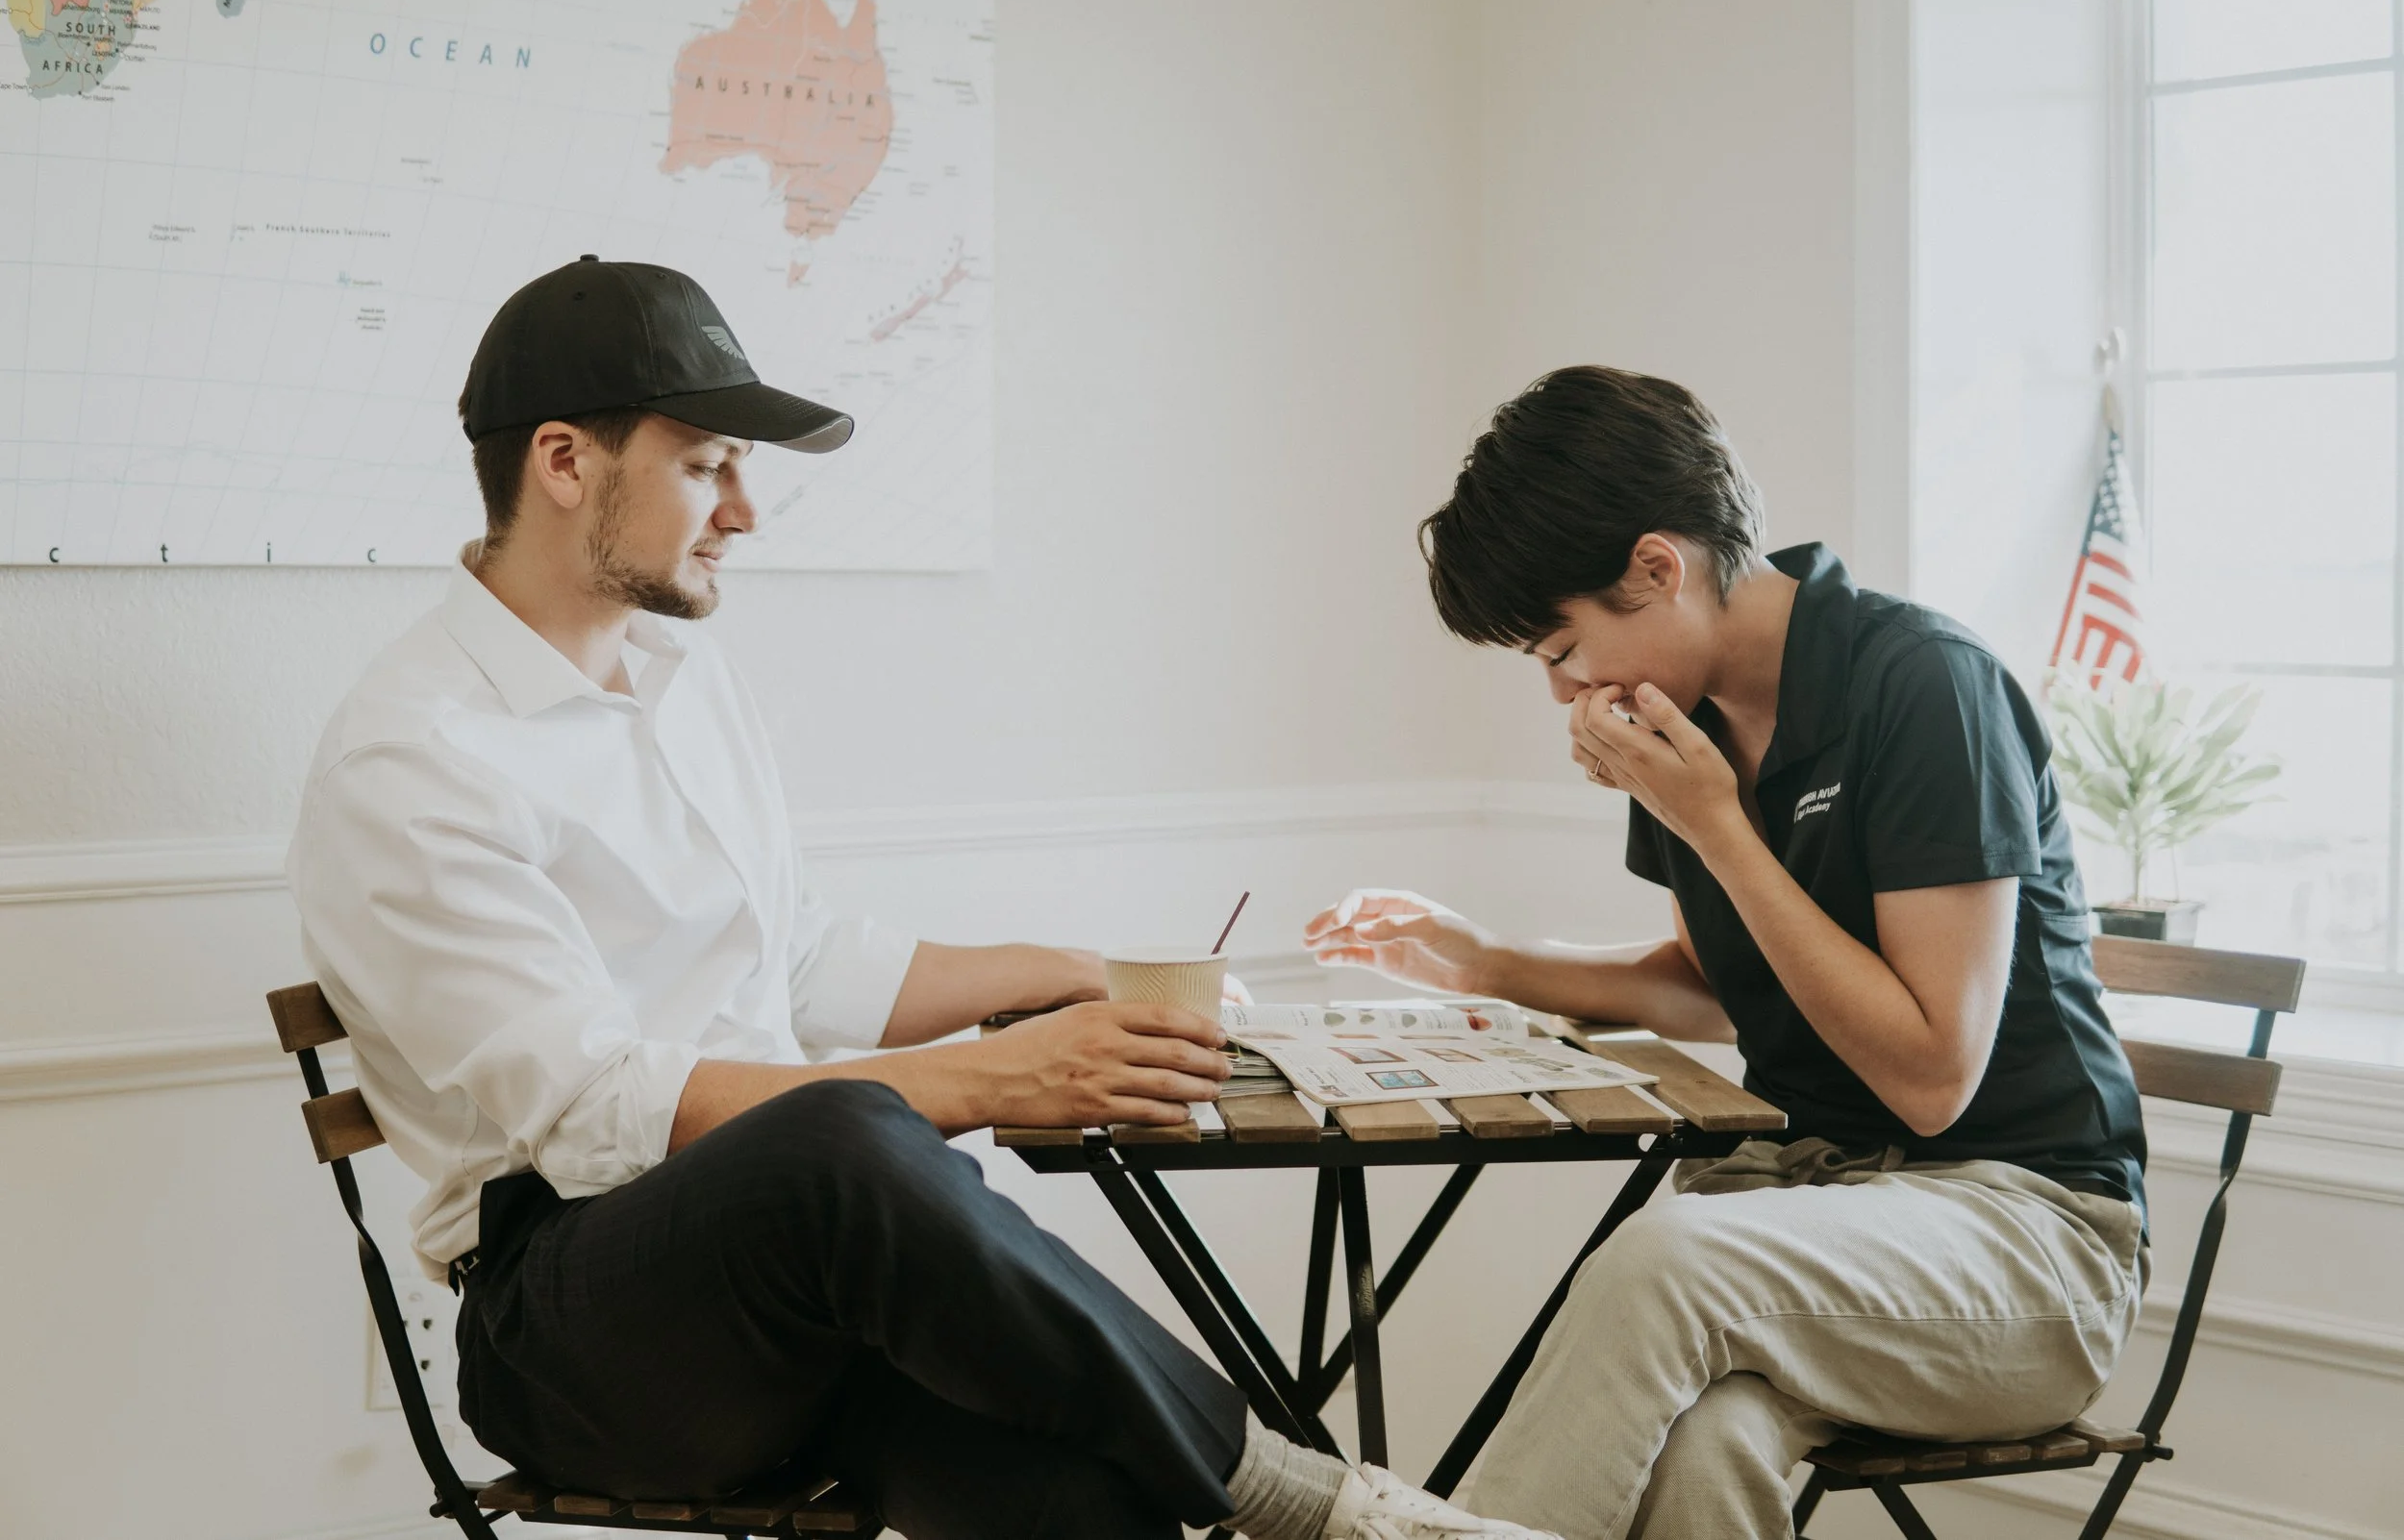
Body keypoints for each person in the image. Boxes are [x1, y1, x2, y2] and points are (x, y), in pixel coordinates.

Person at [288, 257, 1564, 1540]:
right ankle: (1315, 1501)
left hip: (802, 1288)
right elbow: (593, 1111)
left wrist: (1068, 972)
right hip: (577, 1328)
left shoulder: (682, 675)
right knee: (844, 1138)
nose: (745, 511)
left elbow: (793, 960)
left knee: (1088, 1497)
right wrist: (998, 1076)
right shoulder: (416, 756)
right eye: (707, 465)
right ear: (564, 461)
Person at [1303, 366, 2148, 1540]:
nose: (1562, 690)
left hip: (2024, 1243)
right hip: (1811, 1217)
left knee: (1658, 1263)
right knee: (1704, 1445)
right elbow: (1716, 987)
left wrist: (1714, 824)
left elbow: (1930, 1075)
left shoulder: (1923, 685)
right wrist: (1482, 959)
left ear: (1660, 567)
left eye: (1562, 646)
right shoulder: (1682, 716)